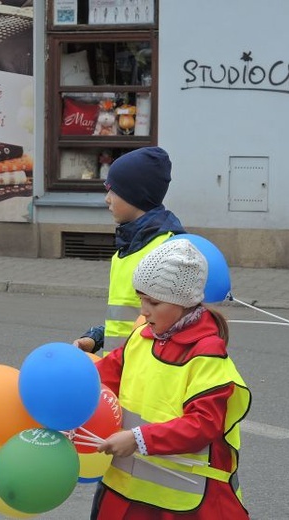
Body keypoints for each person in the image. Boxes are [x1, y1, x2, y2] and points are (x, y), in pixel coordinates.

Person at [91, 239, 251, 519]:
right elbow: (101, 381)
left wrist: (138, 439)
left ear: (184, 302)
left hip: (184, 505)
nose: (143, 310)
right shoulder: (141, 339)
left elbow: (203, 424)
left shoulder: (207, 353)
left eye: (153, 301)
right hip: (126, 494)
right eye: (141, 298)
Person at [73, 146, 184, 354]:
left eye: (113, 191)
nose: (107, 199)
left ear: (135, 196)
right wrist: (96, 338)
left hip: (144, 375)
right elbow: (128, 320)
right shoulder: (126, 250)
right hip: (121, 371)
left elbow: (172, 326)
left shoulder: (165, 251)